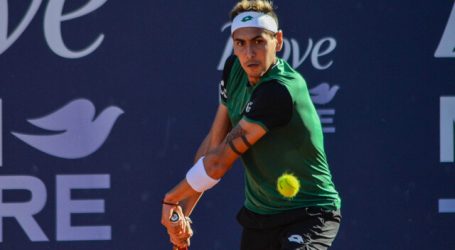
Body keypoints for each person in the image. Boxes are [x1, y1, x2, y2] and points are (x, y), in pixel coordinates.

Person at [161, 0, 341, 249]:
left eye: (258, 41)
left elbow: (219, 162)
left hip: (308, 214)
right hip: (260, 217)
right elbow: (214, 144)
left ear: (277, 41)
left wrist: (172, 199)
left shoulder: (279, 90)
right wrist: (183, 212)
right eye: (240, 43)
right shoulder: (233, 69)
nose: (249, 53)